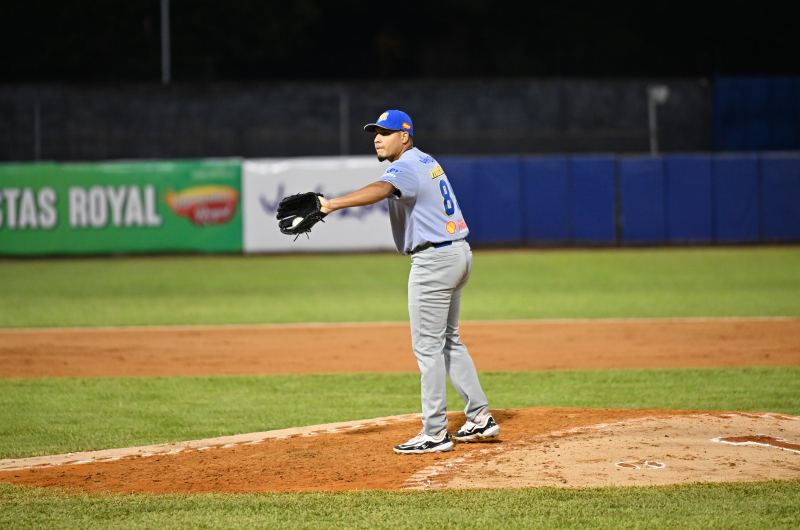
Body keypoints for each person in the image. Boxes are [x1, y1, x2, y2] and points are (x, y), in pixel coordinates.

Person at [319, 110, 499, 454]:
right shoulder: (424, 160)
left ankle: (434, 433)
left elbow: (382, 188)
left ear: (405, 136)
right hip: (458, 252)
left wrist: (332, 204)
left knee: (428, 348)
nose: (377, 137)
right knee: (448, 341)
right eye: (375, 132)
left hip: (434, 261)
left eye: (385, 132)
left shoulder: (403, 167)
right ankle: (480, 417)